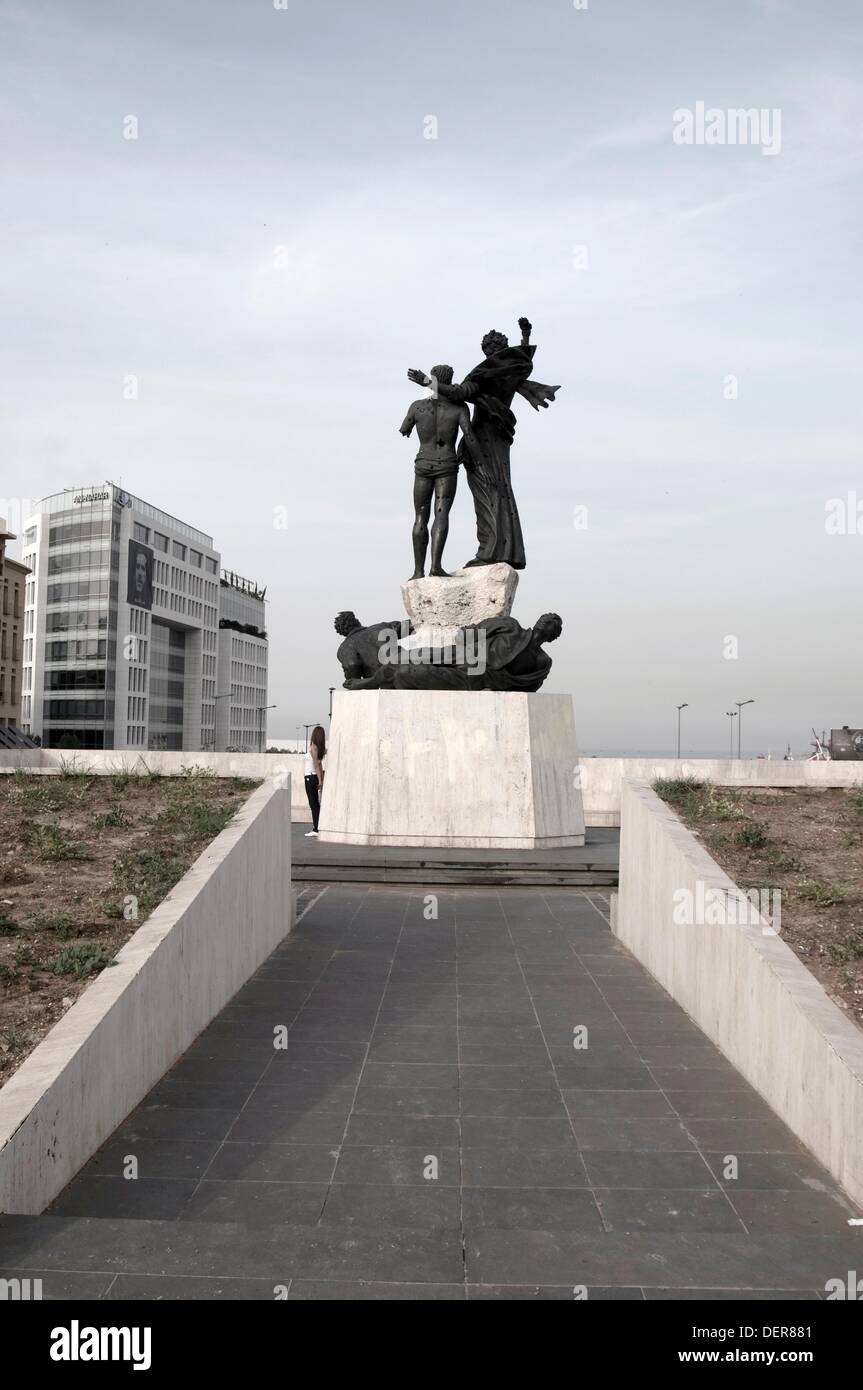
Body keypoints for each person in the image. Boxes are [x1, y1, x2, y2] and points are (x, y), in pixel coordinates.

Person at [407, 317, 560, 571]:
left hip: (482, 439)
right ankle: (504, 548)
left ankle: (489, 550)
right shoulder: (508, 374)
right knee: (500, 488)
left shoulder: (485, 375)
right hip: (498, 437)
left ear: (488, 352)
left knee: (486, 491)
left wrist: (427, 382)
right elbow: (525, 362)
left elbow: (458, 393)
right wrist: (525, 336)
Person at [399, 365, 484, 579]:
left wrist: (412, 429)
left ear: (433, 379)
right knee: (441, 513)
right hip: (447, 464)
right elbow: (470, 436)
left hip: (423, 464)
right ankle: (435, 566)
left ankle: (418, 571)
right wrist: (479, 462)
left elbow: (404, 429)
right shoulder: (459, 409)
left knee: (420, 516)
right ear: (449, 381)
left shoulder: (417, 407)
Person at [304, 725, 326, 836]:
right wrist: (320, 779)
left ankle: (316, 829)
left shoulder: (313, 746)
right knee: (316, 804)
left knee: (313, 804)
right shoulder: (320, 748)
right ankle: (317, 827)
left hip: (310, 777)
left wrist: (320, 781)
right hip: (314, 777)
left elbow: (316, 765)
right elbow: (320, 764)